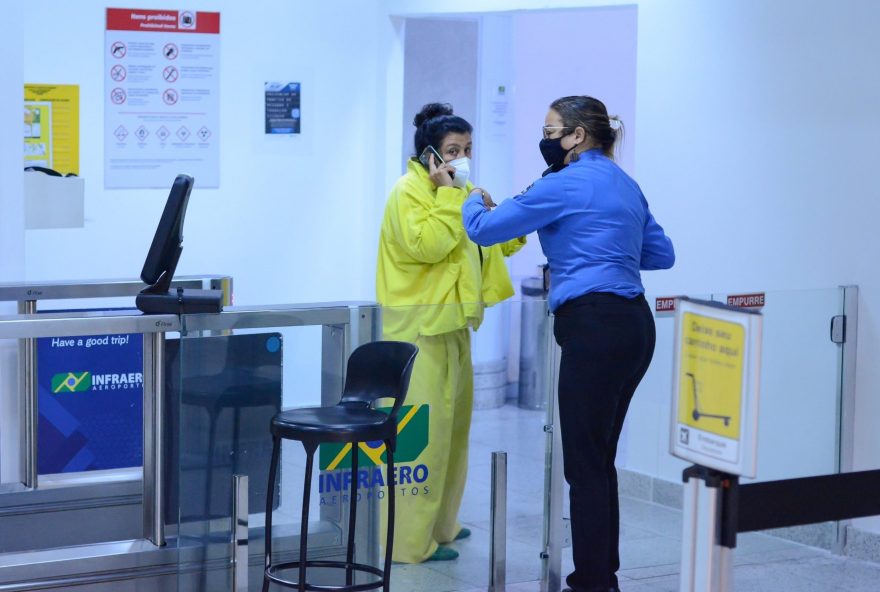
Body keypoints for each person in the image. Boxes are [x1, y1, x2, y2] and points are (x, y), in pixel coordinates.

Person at [462, 96, 675, 592]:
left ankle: (593, 583)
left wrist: (471, 194)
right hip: (636, 327)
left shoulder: (562, 183)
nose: (547, 138)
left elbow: (483, 229)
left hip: (593, 326)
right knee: (600, 459)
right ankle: (603, 577)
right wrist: (606, 245)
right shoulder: (625, 183)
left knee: (584, 464)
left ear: (577, 135)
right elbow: (661, 253)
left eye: (551, 128)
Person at [375, 103, 525, 563]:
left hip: (455, 324)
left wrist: (512, 223)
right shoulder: (408, 193)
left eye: (467, 149)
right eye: (453, 151)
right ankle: (406, 543)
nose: (461, 159)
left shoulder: (461, 191)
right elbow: (429, 245)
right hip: (417, 333)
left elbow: (484, 244)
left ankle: (441, 524)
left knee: (455, 435)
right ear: (428, 156)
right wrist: (449, 199)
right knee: (421, 440)